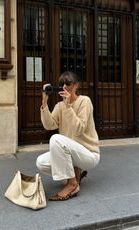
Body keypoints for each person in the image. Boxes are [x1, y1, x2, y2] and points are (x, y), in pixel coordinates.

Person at [36, 71, 100, 201]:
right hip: (71, 152)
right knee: (41, 162)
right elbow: (49, 125)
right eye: (61, 84)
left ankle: (72, 184)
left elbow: (79, 129)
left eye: (68, 83)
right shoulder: (60, 106)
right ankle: (74, 176)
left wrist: (68, 106)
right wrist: (44, 102)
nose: (64, 86)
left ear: (76, 85)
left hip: (88, 154)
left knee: (56, 139)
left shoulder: (84, 101)